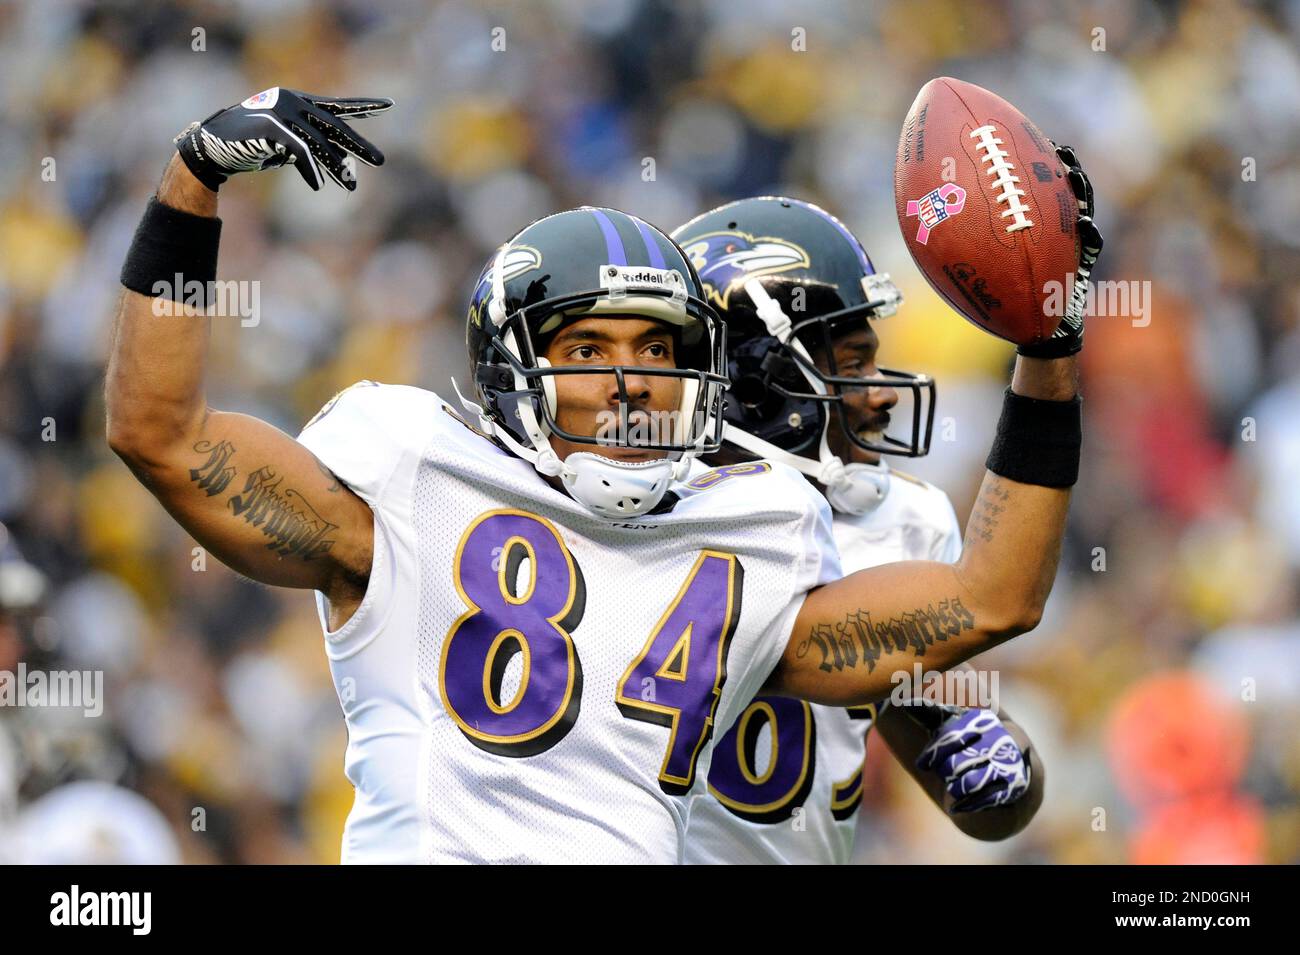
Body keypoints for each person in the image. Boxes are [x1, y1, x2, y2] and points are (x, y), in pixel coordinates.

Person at [105, 88, 1096, 863]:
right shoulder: (416, 472)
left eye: (657, 351)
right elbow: (160, 432)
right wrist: (195, 176)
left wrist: (1047, 344)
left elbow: (991, 607)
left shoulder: (757, 537)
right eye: (586, 347)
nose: (627, 379)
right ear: (514, 365)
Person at [673, 198, 1045, 864]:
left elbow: (986, 803)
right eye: (852, 363)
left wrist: (1001, 765)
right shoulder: (644, 524)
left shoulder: (898, 522)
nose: (882, 394)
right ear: (759, 384)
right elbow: (1000, 599)